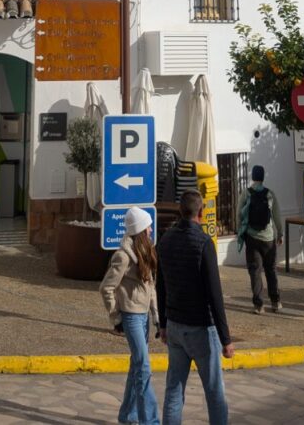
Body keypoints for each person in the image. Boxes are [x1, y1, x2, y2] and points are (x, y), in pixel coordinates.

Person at [156, 191, 232, 425]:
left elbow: (161, 286)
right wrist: (226, 338)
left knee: (174, 390)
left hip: (176, 326)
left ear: (180, 211)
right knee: (214, 392)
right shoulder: (203, 243)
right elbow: (215, 295)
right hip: (202, 328)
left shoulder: (165, 241)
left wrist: (163, 325)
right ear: (201, 213)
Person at [100, 206, 161, 425]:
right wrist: (116, 317)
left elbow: (150, 285)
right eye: (148, 226)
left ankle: (127, 415)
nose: (151, 229)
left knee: (137, 365)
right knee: (144, 367)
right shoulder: (122, 256)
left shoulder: (145, 252)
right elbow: (106, 288)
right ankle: (151, 421)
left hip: (144, 316)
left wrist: (156, 315)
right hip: (131, 317)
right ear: (141, 231)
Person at [236, 164, 284, 314]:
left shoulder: (246, 193)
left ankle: (259, 305)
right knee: (271, 270)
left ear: (253, 177)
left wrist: (240, 232)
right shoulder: (270, 194)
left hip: (252, 237)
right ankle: (275, 302)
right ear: (263, 177)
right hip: (268, 238)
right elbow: (276, 216)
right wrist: (280, 233)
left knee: (255, 271)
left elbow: (238, 213)